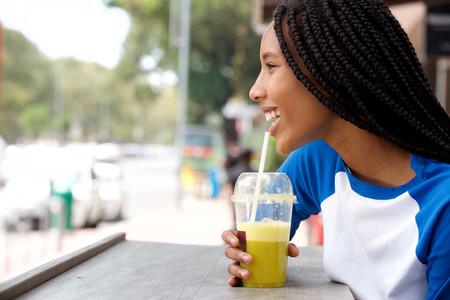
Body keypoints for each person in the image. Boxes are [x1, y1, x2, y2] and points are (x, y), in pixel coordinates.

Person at [222, 1, 450, 299]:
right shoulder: (316, 162)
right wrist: (242, 254)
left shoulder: (442, 204)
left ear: (330, 71)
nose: (255, 90)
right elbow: (252, 237)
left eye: (271, 66)